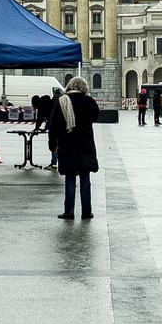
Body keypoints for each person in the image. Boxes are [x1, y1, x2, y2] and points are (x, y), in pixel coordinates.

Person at [49, 77, 99, 220]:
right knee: (85, 179)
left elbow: (54, 125)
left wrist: (52, 144)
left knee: (70, 178)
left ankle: (69, 211)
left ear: (69, 86)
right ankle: (86, 212)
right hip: (85, 145)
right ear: (84, 87)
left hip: (68, 144)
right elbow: (95, 117)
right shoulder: (89, 101)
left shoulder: (62, 101)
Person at [37, 88, 60, 170]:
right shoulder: (55, 102)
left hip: (54, 128)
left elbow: (48, 117)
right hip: (60, 127)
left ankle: (54, 164)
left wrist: (41, 128)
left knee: (54, 145)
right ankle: (57, 163)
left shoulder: (45, 104)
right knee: (59, 145)